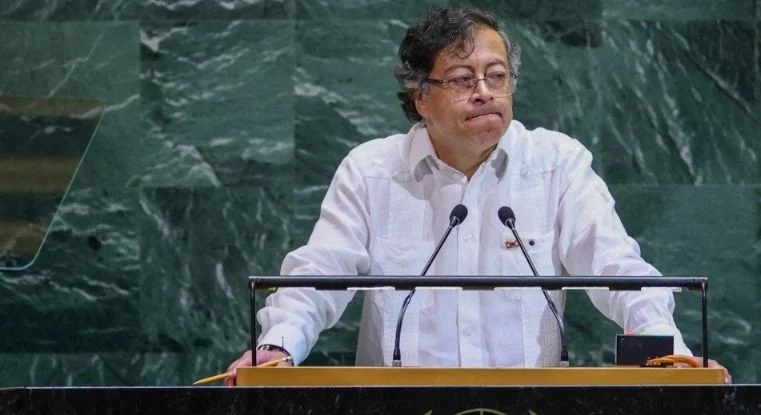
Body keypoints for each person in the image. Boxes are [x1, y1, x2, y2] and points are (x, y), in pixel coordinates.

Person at [226, 6, 729, 384]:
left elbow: (619, 270)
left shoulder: (557, 163)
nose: (485, 91)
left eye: (497, 77)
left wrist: (670, 353)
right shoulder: (371, 171)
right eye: (463, 79)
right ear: (421, 98)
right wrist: (278, 346)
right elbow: (319, 274)